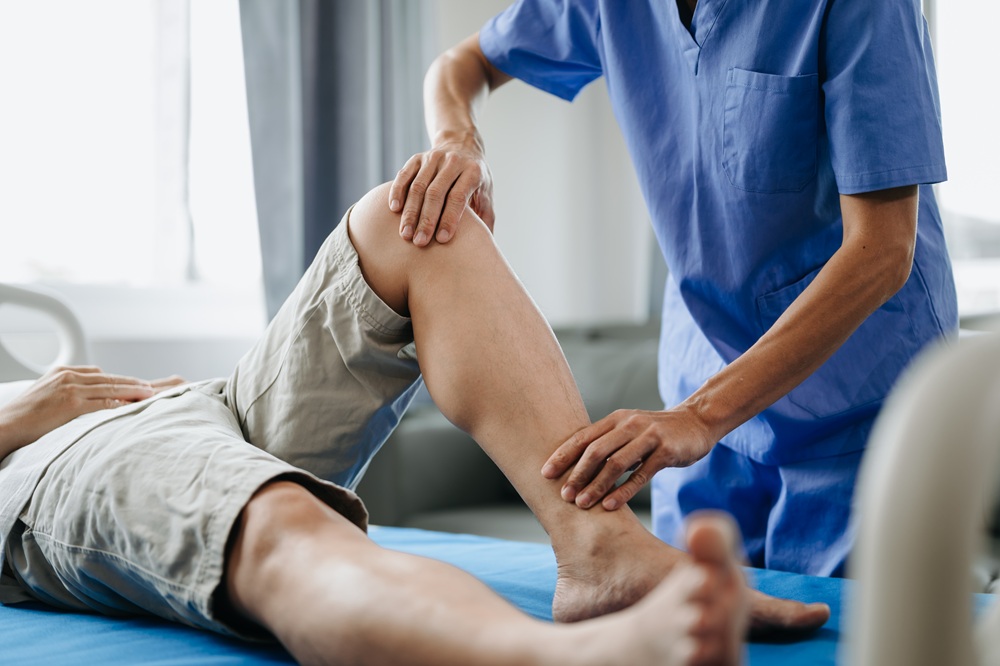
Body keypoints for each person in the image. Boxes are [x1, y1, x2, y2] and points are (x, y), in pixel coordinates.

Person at [0, 184, 828, 666]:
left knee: (412, 216)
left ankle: (599, 549)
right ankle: (560, 658)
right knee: (282, 522)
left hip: (197, 403)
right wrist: (19, 410)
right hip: (47, 458)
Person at [388, 0, 958, 576]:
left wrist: (699, 417)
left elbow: (883, 251)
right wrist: (459, 140)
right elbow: (460, 65)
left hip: (862, 411)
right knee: (688, 633)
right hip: (705, 394)